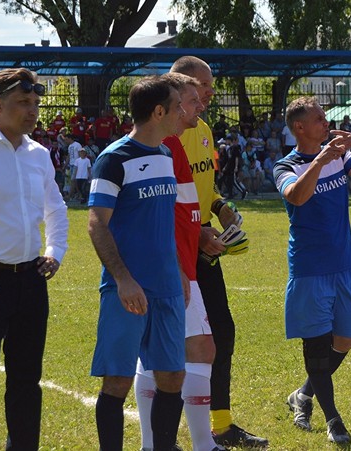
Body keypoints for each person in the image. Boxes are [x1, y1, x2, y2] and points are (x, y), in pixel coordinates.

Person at [0, 68, 68, 451]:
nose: (33, 111)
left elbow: (56, 209)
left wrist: (55, 251)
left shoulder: (38, 154)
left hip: (29, 281)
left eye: (36, 103)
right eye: (23, 102)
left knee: (27, 381)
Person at [171, 56, 267, 448]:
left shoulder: (204, 129)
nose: (210, 93)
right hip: (176, 247)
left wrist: (220, 206)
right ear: (181, 86)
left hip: (203, 245)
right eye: (203, 86)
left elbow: (202, 186)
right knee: (173, 340)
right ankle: (163, 430)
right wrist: (197, 233)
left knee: (221, 333)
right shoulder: (167, 135)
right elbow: (163, 199)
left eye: (210, 86)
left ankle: (222, 425)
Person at [88, 77, 187, 451]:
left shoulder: (166, 155)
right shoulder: (114, 158)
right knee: (117, 381)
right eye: (177, 106)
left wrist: (178, 269)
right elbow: (97, 223)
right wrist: (123, 279)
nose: (182, 113)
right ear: (159, 111)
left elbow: (161, 221)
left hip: (167, 286)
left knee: (173, 376)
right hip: (126, 290)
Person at [275, 97, 351, 444]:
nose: (326, 123)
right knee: (317, 348)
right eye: (319, 119)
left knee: (344, 341)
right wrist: (319, 161)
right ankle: (333, 420)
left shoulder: (340, 157)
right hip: (310, 269)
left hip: (344, 265)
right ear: (300, 127)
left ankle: (302, 394)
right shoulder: (285, 165)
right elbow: (296, 196)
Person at [133, 72, 229, 451]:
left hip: (182, 262)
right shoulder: (162, 146)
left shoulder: (174, 143)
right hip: (172, 268)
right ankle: (202, 444)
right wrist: (176, 265)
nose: (198, 106)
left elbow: (182, 206)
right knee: (201, 348)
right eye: (190, 101)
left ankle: (156, 443)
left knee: (160, 354)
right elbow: (153, 215)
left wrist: (202, 232)